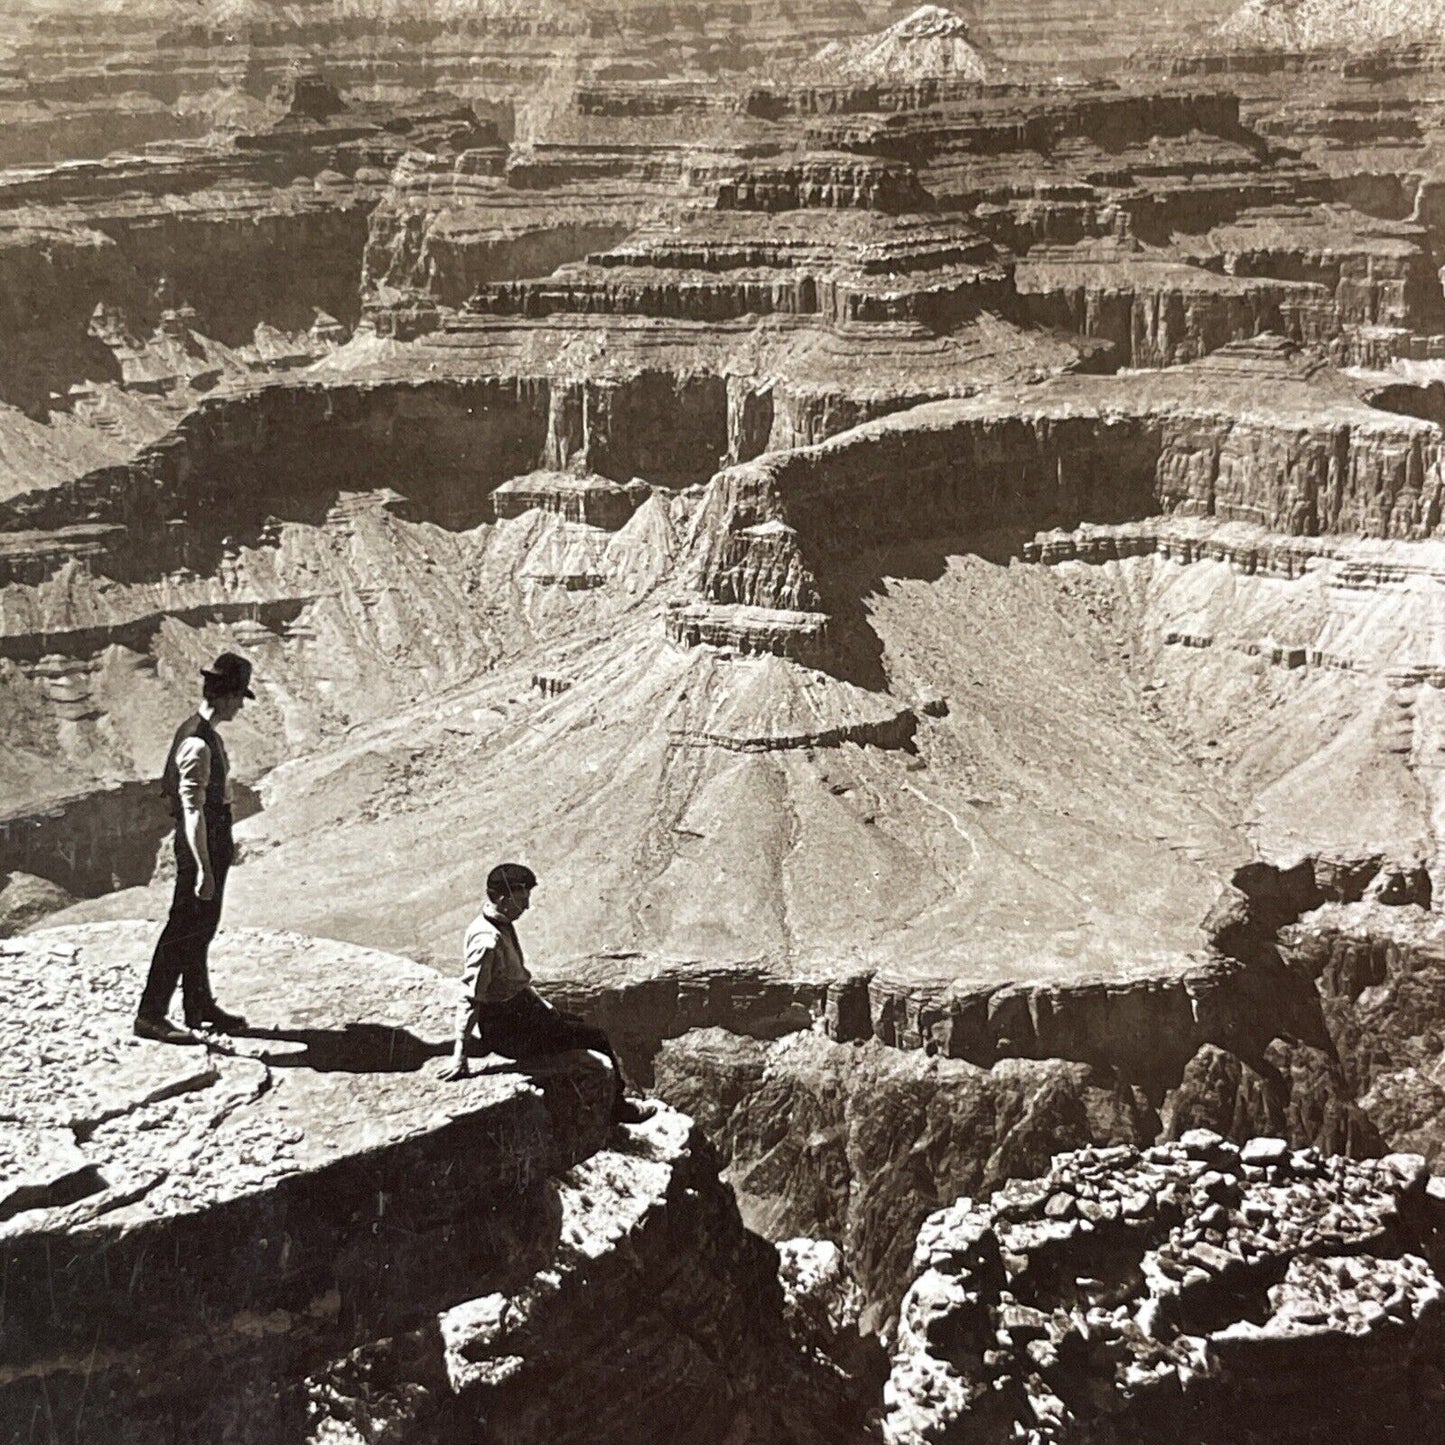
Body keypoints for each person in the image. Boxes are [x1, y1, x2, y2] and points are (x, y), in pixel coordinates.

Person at [444, 862, 652, 1125]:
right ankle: (619, 1110)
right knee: (596, 1038)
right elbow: (472, 997)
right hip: (509, 1030)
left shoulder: (498, 923)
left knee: (577, 1023)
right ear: (501, 898)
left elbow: (514, 982)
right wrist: (460, 1054)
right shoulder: (487, 942)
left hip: (521, 1012)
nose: (527, 907)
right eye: (522, 900)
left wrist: (542, 1005)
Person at [134, 651, 254, 1044]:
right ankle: (151, 1014)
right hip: (199, 846)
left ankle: (198, 1005)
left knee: (200, 928)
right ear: (222, 695)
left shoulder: (204, 733)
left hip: (211, 844)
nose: (240, 704)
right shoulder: (198, 745)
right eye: (238, 696)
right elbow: (192, 812)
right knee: (182, 930)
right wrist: (203, 867)